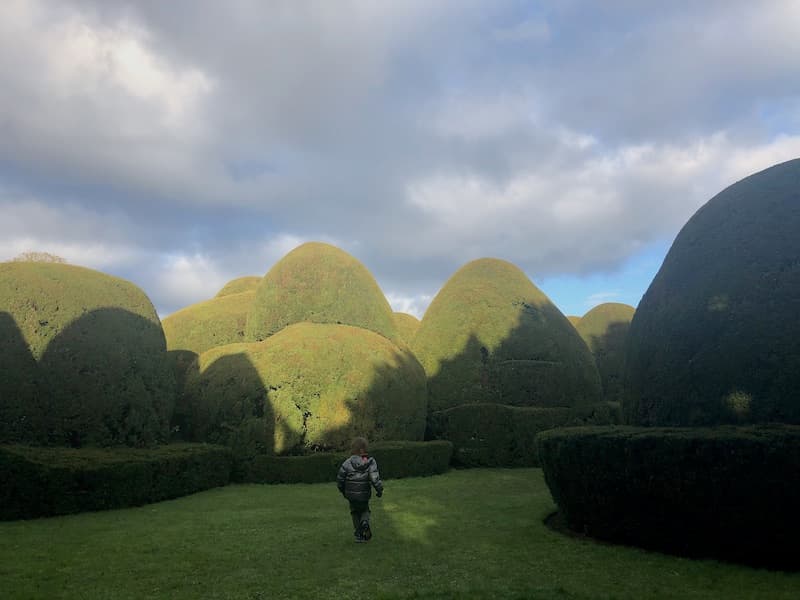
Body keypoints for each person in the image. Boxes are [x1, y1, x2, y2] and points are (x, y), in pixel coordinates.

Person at [337, 436, 384, 543]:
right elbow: (375, 478)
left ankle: (359, 535)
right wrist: (379, 490)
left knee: (354, 512)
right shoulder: (370, 462)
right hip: (364, 494)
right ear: (363, 449)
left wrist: (343, 491)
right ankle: (364, 522)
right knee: (365, 510)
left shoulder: (347, 463)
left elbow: (340, 479)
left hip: (351, 495)